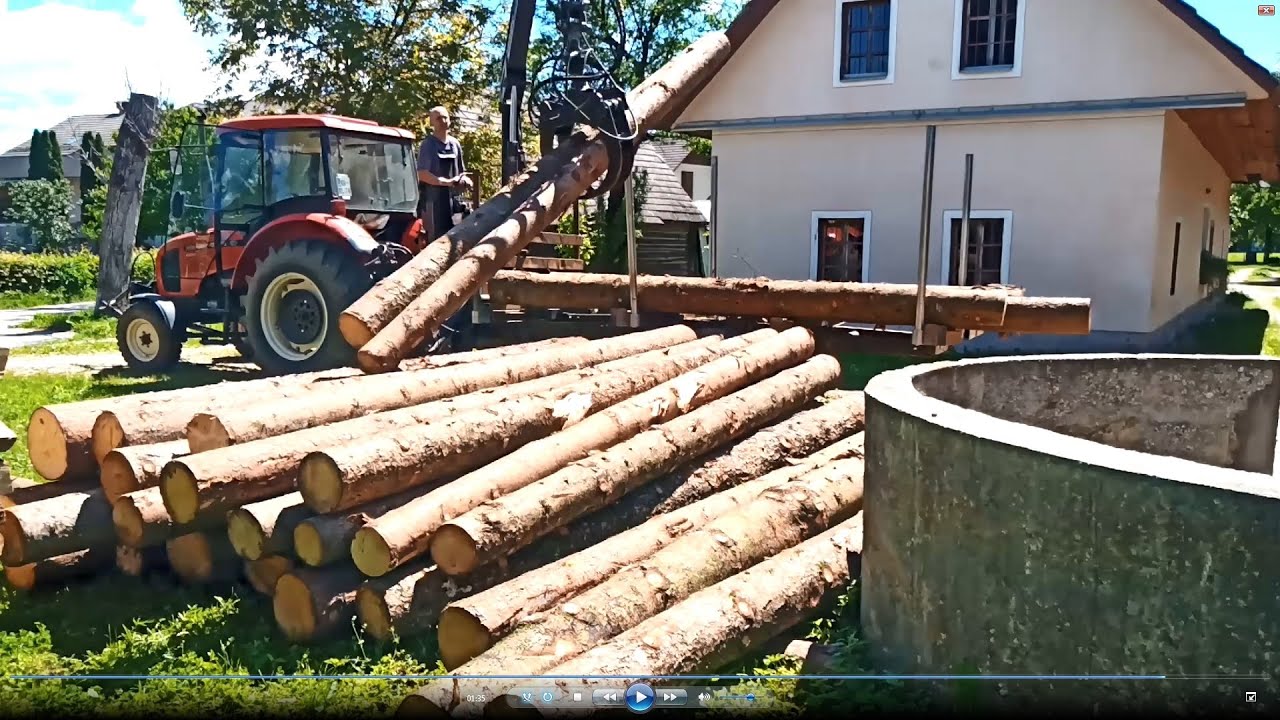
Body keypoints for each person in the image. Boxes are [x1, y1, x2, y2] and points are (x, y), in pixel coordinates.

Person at [416, 105, 475, 350]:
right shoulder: (428, 146)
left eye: (446, 117)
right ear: (432, 122)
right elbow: (422, 174)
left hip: (453, 201)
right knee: (438, 244)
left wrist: (463, 179)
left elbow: (460, 172)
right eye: (438, 118)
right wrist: (445, 182)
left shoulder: (456, 145)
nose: (443, 121)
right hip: (434, 202)